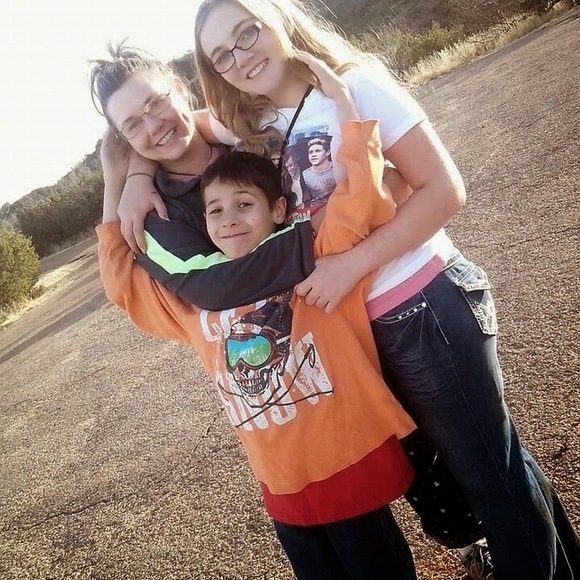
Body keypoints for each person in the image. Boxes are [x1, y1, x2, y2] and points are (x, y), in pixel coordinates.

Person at [115, 1, 580, 578]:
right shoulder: (253, 121)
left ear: (277, 18)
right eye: (222, 55)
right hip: (367, 326)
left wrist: (352, 263)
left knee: (490, 475)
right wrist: (133, 176)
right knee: (493, 464)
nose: (241, 57)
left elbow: (443, 190)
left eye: (247, 33)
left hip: (421, 304)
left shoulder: (357, 84)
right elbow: (170, 128)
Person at [97, 48, 424, 578]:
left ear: (181, 89)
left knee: (436, 482)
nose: (153, 126)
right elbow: (209, 286)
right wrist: (124, 181)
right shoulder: (154, 214)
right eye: (133, 124)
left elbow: (364, 176)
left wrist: (366, 188)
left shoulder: (249, 135)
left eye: (156, 103)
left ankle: (467, 539)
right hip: (288, 420)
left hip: (370, 323)